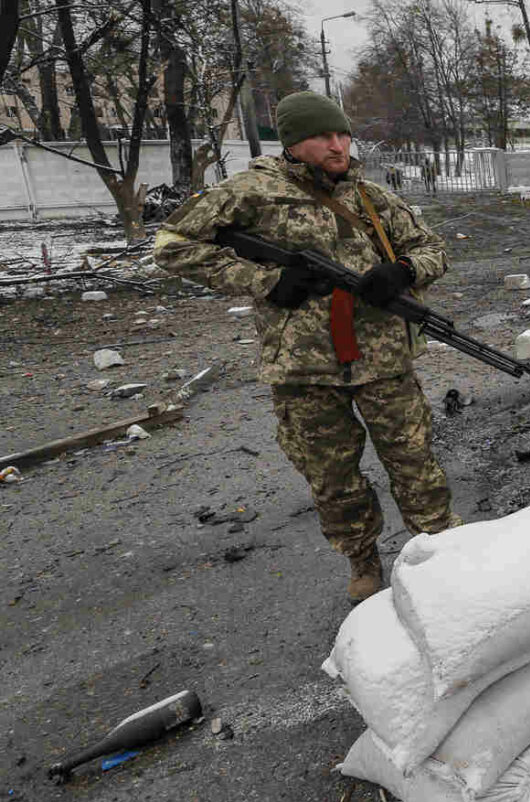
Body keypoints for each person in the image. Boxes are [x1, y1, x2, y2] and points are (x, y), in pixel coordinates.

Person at [153, 91, 461, 605]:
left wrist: (402, 271)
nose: (338, 146)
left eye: (343, 134)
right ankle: (362, 560)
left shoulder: (373, 197)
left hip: (383, 359)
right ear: (294, 143)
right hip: (302, 368)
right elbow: (172, 245)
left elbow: (433, 250)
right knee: (331, 475)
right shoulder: (250, 192)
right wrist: (263, 281)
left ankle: (439, 551)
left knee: (414, 462)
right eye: (324, 136)